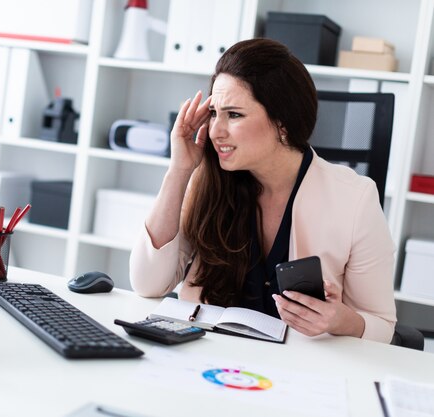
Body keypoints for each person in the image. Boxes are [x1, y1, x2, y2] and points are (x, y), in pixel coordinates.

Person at [129, 38, 397, 343]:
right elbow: (147, 283)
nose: (216, 131)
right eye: (214, 113)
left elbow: (382, 328)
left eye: (234, 115)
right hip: (206, 357)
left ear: (282, 122)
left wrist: (340, 320)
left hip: (299, 372)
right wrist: (179, 170)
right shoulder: (208, 179)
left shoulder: (355, 198)